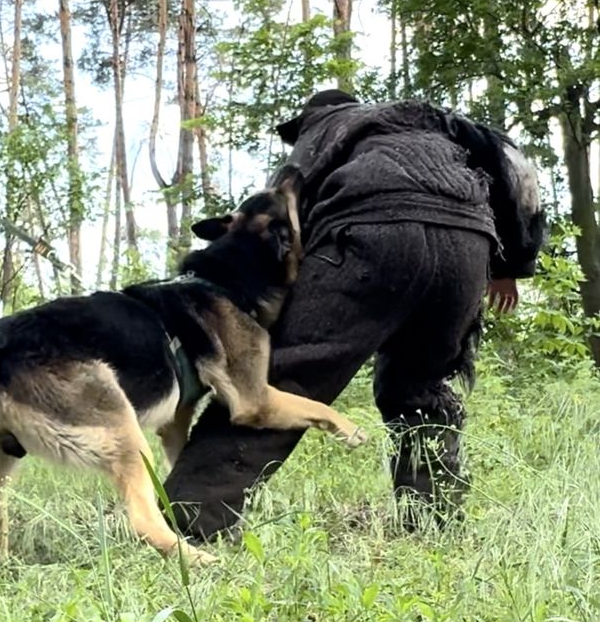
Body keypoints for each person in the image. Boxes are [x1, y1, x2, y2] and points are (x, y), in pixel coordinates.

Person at [164, 89, 546, 538]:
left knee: (285, 373)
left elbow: (277, 211)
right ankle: (434, 524)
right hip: (467, 244)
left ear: (311, 117)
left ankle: (188, 522)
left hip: (370, 230)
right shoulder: (438, 124)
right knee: (422, 387)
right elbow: (517, 167)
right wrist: (512, 265)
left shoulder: (327, 125)